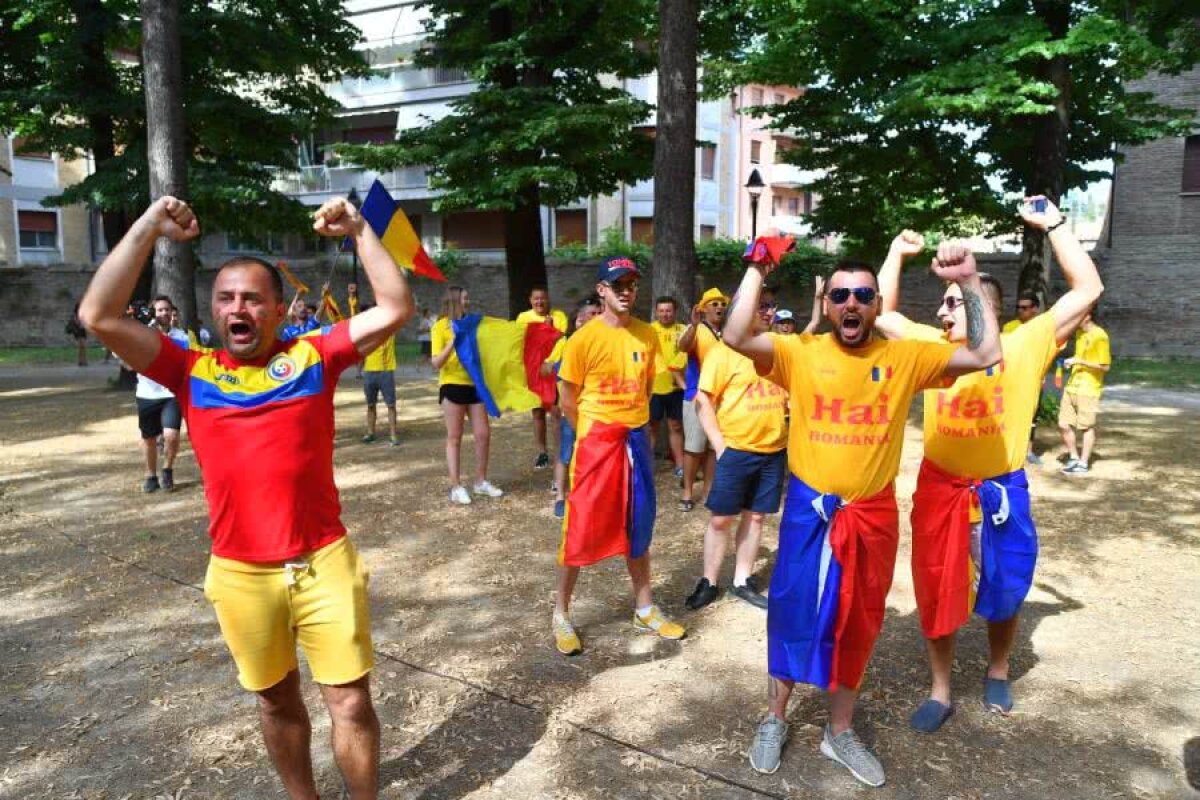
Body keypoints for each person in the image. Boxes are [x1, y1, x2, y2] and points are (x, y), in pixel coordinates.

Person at [78, 194, 413, 798]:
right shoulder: (191, 368)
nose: (239, 308)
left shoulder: (314, 356)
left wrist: (361, 228)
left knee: (351, 701)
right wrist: (150, 228)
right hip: (239, 572)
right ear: (212, 309)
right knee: (276, 702)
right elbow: (98, 314)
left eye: (253, 298)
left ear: (278, 310)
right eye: (227, 298)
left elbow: (395, 305)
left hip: (323, 561)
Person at [723, 240, 1001, 787]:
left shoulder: (904, 357)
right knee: (793, 611)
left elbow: (987, 354)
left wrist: (968, 281)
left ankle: (839, 730)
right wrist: (758, 265)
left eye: (864, 295)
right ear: (827, 304)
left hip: (872, 515)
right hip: (811, 512)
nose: (852, 303)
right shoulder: (797, 352)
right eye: (841, 294)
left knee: (859, 620)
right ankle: (774, 717)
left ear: (877, 306)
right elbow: (734, 334)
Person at [873, 200, 1103, 735]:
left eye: (955, 302)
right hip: (940, 487)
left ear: (988, 308)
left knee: (1004, 584)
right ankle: (941, 689)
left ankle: (998, 669)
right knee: (937, 586)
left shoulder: (1025, 342)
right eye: (943, 303)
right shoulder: (931, 348)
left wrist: (1054, 226)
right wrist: (895, 253)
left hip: (1001, 486)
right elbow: (883, 312)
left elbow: (1088, 288)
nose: (943, 313)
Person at [554, 257, 686, 656]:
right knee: (580, 525)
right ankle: (560, 612)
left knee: (639, 522)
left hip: (635, 441)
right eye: (618, 284)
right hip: (597, 442)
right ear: (602, 290)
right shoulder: (583, 339)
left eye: (631, 284)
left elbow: (646, 388)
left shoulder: (647, 336)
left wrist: (631, 426)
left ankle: (644, 607)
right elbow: (566, 400)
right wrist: (596, 432)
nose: (626, 290)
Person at [685, 285, 787, 611]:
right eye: (762, 306)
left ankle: (742, 580)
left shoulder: (780, 348)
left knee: (756, 517)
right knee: (720, 520)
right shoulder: (723, 352)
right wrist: (720, 446)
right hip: (736, 450)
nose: (768, 312)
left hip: (773, 450)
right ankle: (709, 581)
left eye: (771, 306)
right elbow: (703, 400)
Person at [431, 285, 504, 504]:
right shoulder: (440, 327)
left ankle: (481, 481)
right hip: (452, 385)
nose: (468, 302)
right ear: (454, 300)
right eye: (465, 298)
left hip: (475, 385)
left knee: (483, 434)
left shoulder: (474, 324)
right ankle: (455, 486)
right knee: (455, 437)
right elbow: (436, 362)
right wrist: (454, 340)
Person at [548, 294, 604, 518]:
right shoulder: (567, 342)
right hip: (572, 407)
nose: (598, 317)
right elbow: (551, 370)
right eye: (593, 314)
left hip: (597, 409)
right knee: (566, 452)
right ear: (580, 318)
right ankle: (560, 496)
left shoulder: (605, 341)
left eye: (600, 313)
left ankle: (591, 496)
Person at [676, 287, 728, 511]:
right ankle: (687, 491)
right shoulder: (696, 329)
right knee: (694, 447)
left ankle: (708, 491)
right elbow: (682, 346)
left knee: (713, 448)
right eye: (713, 304)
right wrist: (694, 324)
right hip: (698, 396)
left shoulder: (728, 331)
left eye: (721, 304)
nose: (719, 307)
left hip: (724, 398)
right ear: (703, 308)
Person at [133, 295, 189, 493]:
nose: (164, 313)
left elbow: (187, 362)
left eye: (167, 309)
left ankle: (167, 469)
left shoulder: (182, 336)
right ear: (153, 313)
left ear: (172, 312)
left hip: (171, 394)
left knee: (171, 435)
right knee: (149, 438)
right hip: (147, 394)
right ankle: (150, 475)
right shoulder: (143, 335)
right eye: (159, 310)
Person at [515, 285, 569, 471]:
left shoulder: (559, 315)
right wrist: (546, 330)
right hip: (534, 370)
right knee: (537, 412)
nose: (539, 302)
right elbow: (524, 341)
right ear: (530, 300)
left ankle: (559, 453)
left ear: (548, 299)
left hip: (552, 369)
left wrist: (547, 332)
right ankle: (541, 452)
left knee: (556, 412)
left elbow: (561, 339)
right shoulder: (523, 317)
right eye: (536, 299)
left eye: (543, 298)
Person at [1059, 308, 1110, 474]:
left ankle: (1083, 463)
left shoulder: (1100, 336)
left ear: (1087, 316)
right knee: (1063, 424)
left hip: (1089, 389)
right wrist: (1072, 363)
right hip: (1072, 385)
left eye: (1078, 315)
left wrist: (1080, 361)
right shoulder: (1080, 334)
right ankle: (1074, 458)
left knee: (1086, 427)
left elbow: (1105, 366)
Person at [1002, 292, 1048, 464]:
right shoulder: (1009, 327)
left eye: (1024, 307)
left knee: (1031, 416)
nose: (1020, 311)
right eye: (1018, 307)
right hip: (1011, 379)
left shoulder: (1041, 329)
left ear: (1035, 309)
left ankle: (1029, 451)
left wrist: (1041, 374)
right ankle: (1007, 448)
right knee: (1008, 413)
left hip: (1034, 379)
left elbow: (1045, 354)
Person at [649, 296, 687, 475]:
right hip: (653, 387)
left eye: (668, 311)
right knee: (652, 426)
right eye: (661, 311)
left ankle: (679, 465)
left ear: (675, 312)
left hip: (675, 386)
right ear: (656, 312)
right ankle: (647, 465)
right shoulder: (648, 330)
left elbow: (687, 353)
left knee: (676, 426)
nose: (665, 314)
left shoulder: (683, 330)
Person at [359, 302, 399, 446]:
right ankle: (370, 432)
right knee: (370, 405)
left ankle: (393, 435)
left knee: (391, 405)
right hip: (369, 371)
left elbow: (398, 314)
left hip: (386, 371)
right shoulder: (366, 332)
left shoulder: (389, 330)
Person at [67, 301, 88, 366]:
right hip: (78, 331)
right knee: (82, 346)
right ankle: (81, 361)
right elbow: (77, 323)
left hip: (83, 331)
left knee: (83, 347)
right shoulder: (75, 315)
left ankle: (83, 361)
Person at [417, 306, 435, 371]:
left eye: (430, 312)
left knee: (429, 355)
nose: (430, 313)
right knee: (426, 356)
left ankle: (434, 368)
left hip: (430, 339)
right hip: (426, 340)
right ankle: (434, 368)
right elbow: (420, 330)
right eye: (428, 312)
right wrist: (428, 329)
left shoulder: (430, 320)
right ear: (426, 314)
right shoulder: (424, 321)